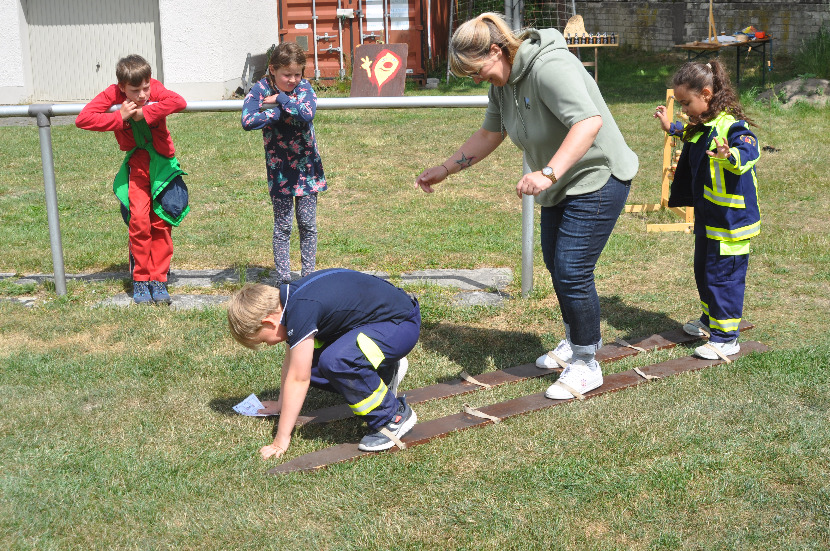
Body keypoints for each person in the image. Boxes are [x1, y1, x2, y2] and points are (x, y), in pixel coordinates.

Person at [414, 13, 638, 400]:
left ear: (497, 51)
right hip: (562, 181)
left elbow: (588, 123)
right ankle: (576, 339)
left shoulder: (550, 66)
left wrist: (548, 172)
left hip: (598, 176)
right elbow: (490, 132)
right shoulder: (504, 83)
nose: (478, 79)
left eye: (478, 70)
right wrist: (446, 169)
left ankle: (586, 362)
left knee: (571, 269)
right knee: (557, 262)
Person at [227, 269, 421, 458]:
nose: (268, 344)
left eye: (262, 340)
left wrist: (281, 439)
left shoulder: (301, 308)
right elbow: (292, 364)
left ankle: (392, 416)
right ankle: (385, 371)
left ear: (269, 322)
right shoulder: (290, 300)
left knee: (336, 362)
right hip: (381, 325)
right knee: (307, 363)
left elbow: (298, 379)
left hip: (400, 325)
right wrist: (280, 405)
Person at [654, 60, 760, 360]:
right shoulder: (703, 124)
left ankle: (726, 337)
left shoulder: (731, 126)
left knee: (723, 277)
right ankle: (710, 321)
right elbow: (691, 133)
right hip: (708, 218)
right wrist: (671, 128)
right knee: (704, 271)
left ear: (707, 94)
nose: (684, 109)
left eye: (686, 103)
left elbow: (750, 148)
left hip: (731, 222)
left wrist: (731, 154)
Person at [75, 54, 188, 305]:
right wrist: (120, 116)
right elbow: (83, 119)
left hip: (162, 165)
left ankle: (159, 279)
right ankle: (140, 279)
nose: (143, 94)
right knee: (139, 220)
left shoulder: (152, 88)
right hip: (137, 165)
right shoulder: (112, 94)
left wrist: (146, 113)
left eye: (146, 88)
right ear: (121, 87)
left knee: (162, 220)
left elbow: (178, 101)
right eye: (135, 90)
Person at [241, 42, 327, 285]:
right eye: (286, 74)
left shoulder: (304, 87)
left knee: (308, 224)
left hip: (307, 169)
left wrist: (280, 100)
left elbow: (307, 113)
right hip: (279, 171)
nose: (292, 79)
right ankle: (283, 279)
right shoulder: (260, 88)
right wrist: (277, 113)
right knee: (283, 227)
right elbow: (247, 119)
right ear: (272, 70)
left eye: (297, 74)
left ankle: (308, 277)